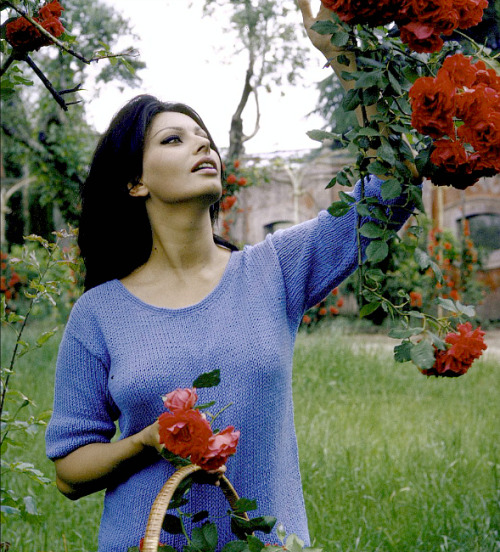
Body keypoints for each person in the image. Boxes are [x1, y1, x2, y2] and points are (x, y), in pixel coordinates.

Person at [45, 2, 419, 550]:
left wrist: (343, 58)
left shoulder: (273, 272)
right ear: (134, 183)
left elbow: (394, 188)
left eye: (204, 137)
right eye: (173, 139)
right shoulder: (99, 313)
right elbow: (69, 472)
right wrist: (146, 442)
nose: (203, 145)